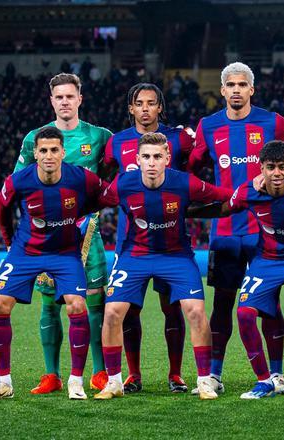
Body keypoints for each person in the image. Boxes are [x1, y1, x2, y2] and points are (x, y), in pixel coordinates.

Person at [187, 62, 284, 395]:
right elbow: (192, 168)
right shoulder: (208, 126)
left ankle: (276, 374)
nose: (236, 90)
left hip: (266, 229)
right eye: (230, 85)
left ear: (252, 89)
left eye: (242, 84)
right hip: (225, 230)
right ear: (222, 90)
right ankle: (214, 375)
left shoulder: (273, 123)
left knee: (269, 302)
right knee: (222, 302)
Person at [93, 132, 232, 400]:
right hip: (135, 255)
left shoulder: (185, 183)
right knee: (112, 313)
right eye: (146, 157)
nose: (152, 162)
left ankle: (204, 381)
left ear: (168, 158)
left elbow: (223, 195)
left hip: (176, 256)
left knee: (195, 311)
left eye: (157, 156)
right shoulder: (123, 183)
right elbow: (94, 200)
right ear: (137, 159)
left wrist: (253, 189)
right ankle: (114, 382)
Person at [190, 140, 284, 400]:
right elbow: (223, 208)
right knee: (244, 313)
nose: (277, 173)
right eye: (271, 167)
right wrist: (185, 213)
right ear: (261, 168)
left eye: (282, 167)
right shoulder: (248, 191)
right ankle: (264, 381)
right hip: (266, 261)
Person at [0, 126, 105, 400]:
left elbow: (107, 195)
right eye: (43, 151)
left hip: (64, 252)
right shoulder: (19, 181)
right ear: (35, 154)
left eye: (54, 150)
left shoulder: (80, 176)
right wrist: (8, 241)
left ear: (63, 152)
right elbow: (2, 208)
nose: (49, 155)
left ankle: (76, 381)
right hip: (26, 251)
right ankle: (3, 382)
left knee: (77, 304)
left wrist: (83, 211)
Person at [14, 73, 112, 394]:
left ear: (80, 99)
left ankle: (99, 373)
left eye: (70, 96)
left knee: (94, 301)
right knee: (50, 302)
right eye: (59, 97)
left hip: (87, 234)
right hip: (49, 237)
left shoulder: (99, 136)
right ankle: (51, 375)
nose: (65, 102)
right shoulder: (35, 138)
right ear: (51, 101)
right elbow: (18, 182)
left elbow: (124, 162)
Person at [103, 83, 194, 394]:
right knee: (129, 309)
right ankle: (133, 374)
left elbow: (194, 170)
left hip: (171, 240)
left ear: (160, 107)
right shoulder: (116, 142)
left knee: (172, 307)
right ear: (131, 108)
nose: (145, 108)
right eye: (139, 103)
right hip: (131, 241)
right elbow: (106, 179)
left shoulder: (179, 139)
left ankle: (175, 374)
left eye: (151, 103)